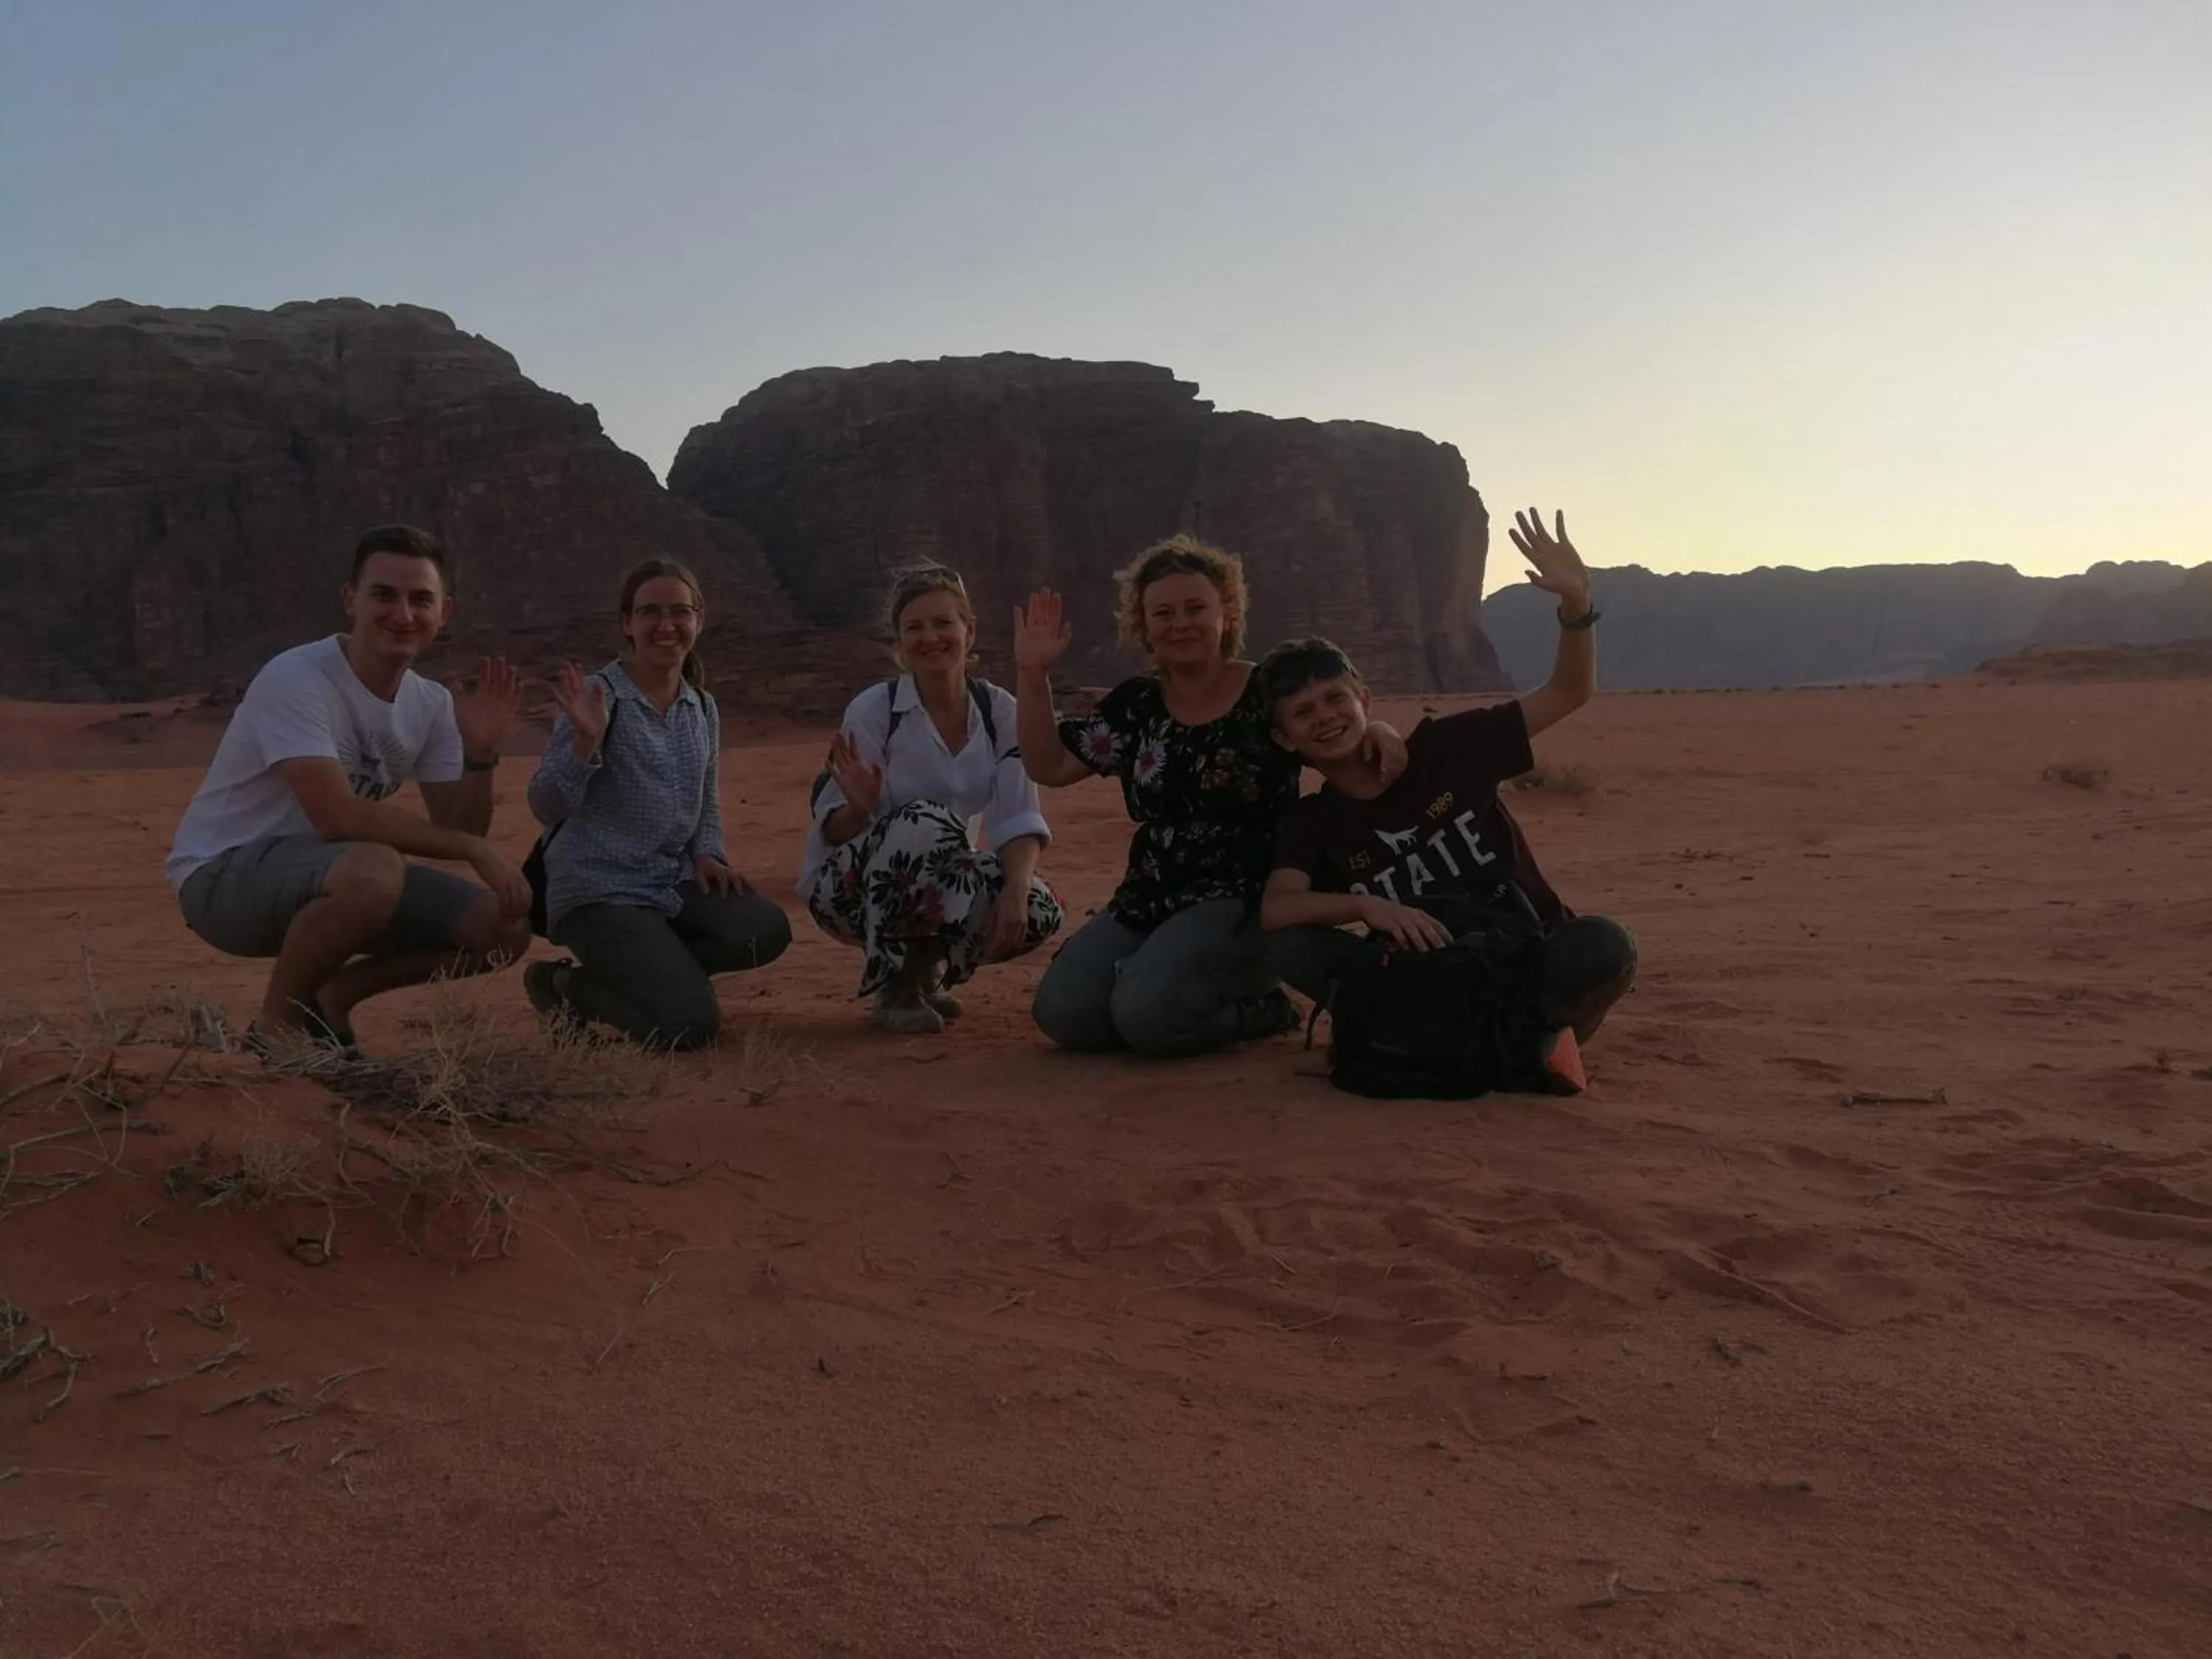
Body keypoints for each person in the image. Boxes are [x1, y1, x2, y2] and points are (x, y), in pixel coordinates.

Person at [1258, 507, 1637, 1062]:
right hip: (1425, 976)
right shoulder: (1315, 821)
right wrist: (1367, 906)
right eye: (1303, 712)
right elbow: (1277, 910)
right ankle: (1517, 1048)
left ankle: (1451, 1047)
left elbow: (1568, 692)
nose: (1325, 717)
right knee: (1292, 948)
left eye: (1335, 698)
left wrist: (1576, 602)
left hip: (1524, 955)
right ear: (1285, 737)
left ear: (1364, 700)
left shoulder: (1448, 748)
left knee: (1605, 946)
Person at [1014, 535, 1405, 1058]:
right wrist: (1033, 674)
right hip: (1150, 894)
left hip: (1244, 901)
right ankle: (1161, 985)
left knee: (1146, 1016)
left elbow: (1331, 735)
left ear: (1227, 612)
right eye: (1164, 613)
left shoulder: (1265, 695)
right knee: (1065, 1014)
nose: (1181, 623)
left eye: (1195, 608)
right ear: (1144, 626)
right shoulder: (1137, 705)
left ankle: (1263, 1009)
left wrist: (1377, 728)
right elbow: (1049, 766)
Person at [164, 525, 530, 1054]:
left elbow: (459, 829)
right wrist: (477, 851)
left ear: (444, 612)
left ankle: (333, 999)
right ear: (350, 599)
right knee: (374, 869)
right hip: (222, 878)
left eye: (420, 599)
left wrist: (480, 755)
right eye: (383, 595)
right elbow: (335, 816)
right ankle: (275, 1030)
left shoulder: (430, 704)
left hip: (333, 879)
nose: (402, 614)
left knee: (503, 928)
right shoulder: (297, 677)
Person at [522, 558, 790, 1050]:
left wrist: (708, 853)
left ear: (699, 619)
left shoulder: (701, 706)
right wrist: (585, 745)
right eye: (650, 612)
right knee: (688, 1026)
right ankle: (559, 985)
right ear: (627, 623)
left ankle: (657, 974)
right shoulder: (598, 699)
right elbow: (545, 804)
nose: (666, 625)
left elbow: (706, 799)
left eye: (679, 612)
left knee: (765, 930)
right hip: (598, 890)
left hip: (668, 881)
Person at [801, 566, 1064, 1033]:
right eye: (914, 628)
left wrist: (1016, 888)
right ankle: (896, 986)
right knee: (924, 821)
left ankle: (925, 970)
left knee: (1040, 907)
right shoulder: (874, 711)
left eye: (943, 623)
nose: (930, 638)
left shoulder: (1000, 711)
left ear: (969, 630)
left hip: (945, 881)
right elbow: (832, 830)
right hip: (852, 891)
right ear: (900, 642)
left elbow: (1019, 813)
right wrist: (860, 806)